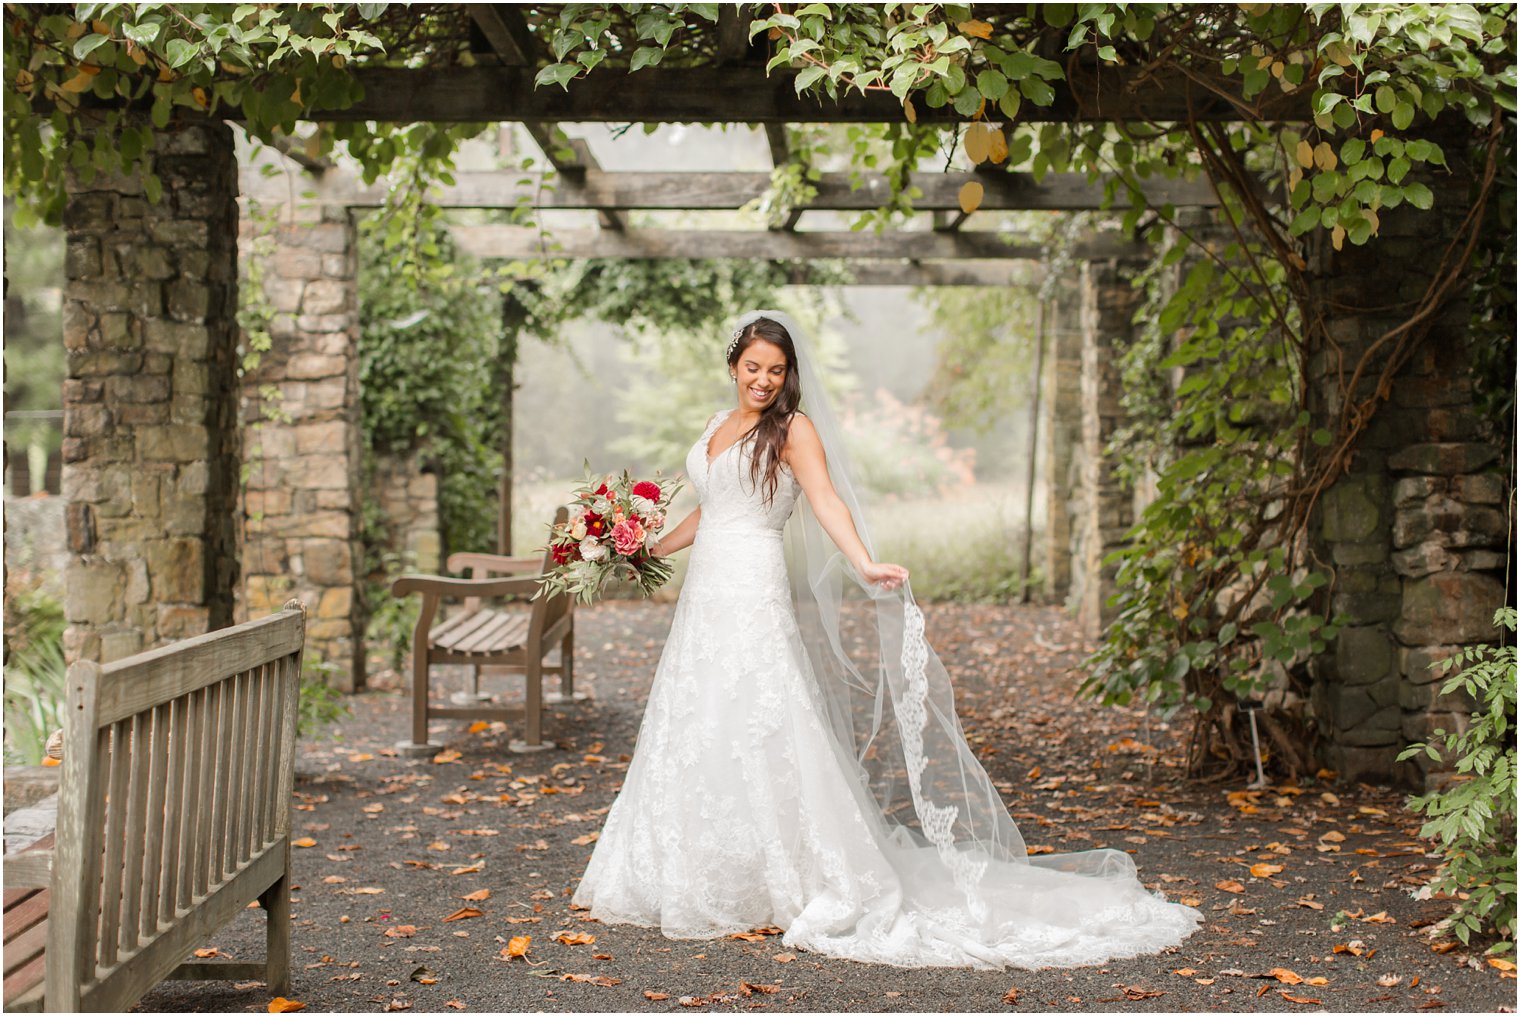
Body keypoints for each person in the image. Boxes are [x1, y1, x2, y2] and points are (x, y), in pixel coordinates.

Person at [571, 310, 1203, 969]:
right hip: (705, 589)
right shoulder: (716, 428)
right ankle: (694, 868)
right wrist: (645, 550)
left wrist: (864, 561)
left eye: (776, 371)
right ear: (734, 365)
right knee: (697, 711)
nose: (762, 380)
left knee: (762, 710)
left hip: (752, 583)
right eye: (753, 367)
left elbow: (825, 500)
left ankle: (795, 872)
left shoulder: (794, 430)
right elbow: (712, 507)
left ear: (789, 376)